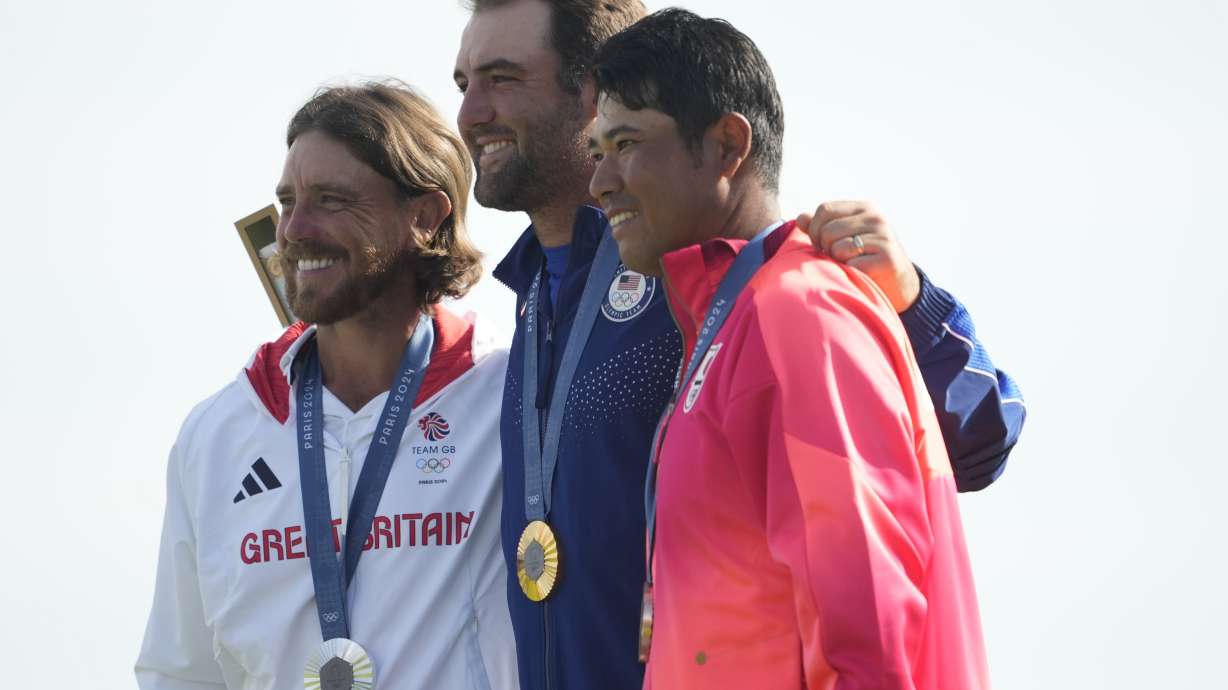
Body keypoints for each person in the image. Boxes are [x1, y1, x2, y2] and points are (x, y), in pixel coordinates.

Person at [453, 1, 1020, 687]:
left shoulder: (737, 281)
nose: (470, 113)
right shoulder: (535, 298)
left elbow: (976, 439)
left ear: (589, 89)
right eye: (464, 84)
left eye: (503, 78)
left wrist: (912, 304)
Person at [588, 9, 988, 688]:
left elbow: (869, 633)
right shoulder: (734, 318)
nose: (600, 183)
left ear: (727, 145)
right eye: (597, 151)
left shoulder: (796, 311)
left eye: (626, 143)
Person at [135, 82, 518, 689]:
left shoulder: (509, 397)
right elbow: (181, 673)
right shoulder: (217, 434)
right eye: (288, 201)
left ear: (424, 217)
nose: (294, 229)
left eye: (331, 200)